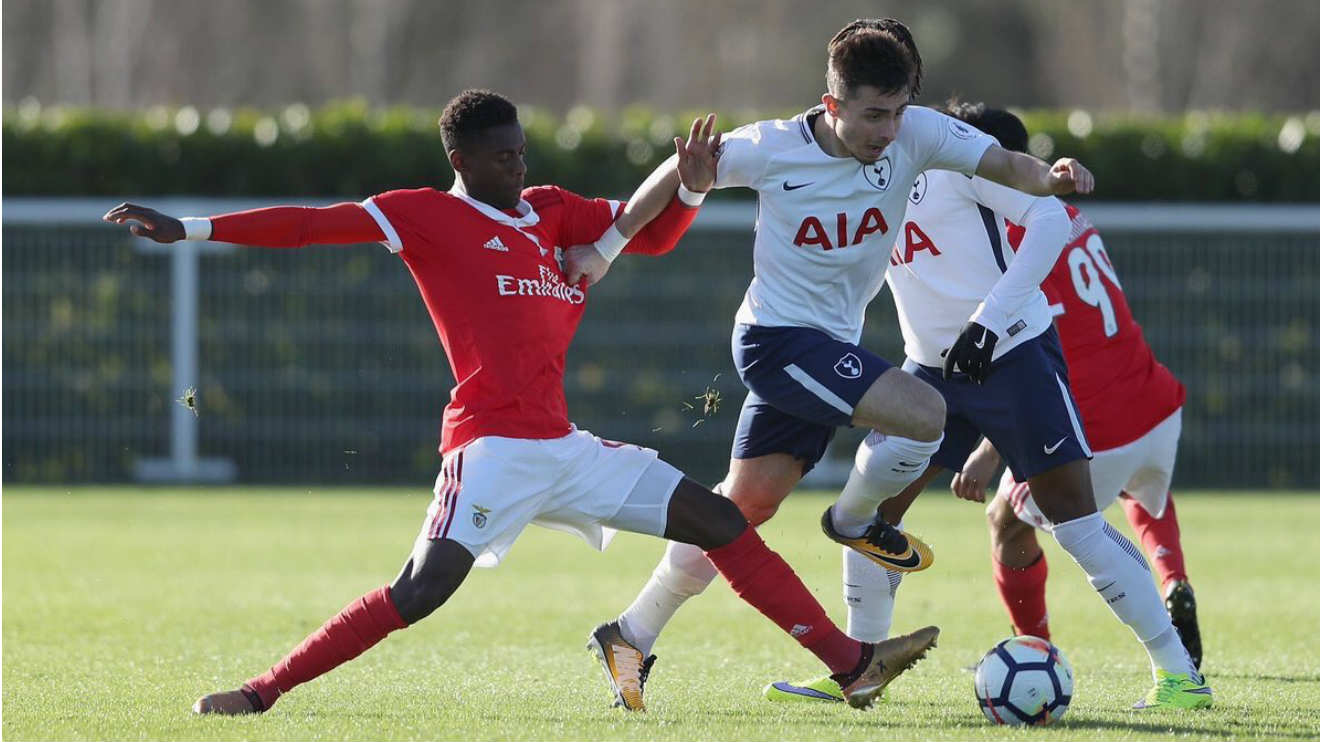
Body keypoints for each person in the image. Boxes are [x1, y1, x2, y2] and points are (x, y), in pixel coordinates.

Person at [102, 89, 937, 715]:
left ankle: (851, 664)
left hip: (565, 448)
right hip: (491, 451)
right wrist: (193, 229)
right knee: (419, 593)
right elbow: (311, 225)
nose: (520, 166)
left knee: (721, 523)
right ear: (461, 160)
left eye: (523, 151)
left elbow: (646, 236)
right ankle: (262, 692)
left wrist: (685, 190)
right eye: (503, 156)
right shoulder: (425, 216)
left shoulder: (548, 213)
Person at [571, 18, 1100, 710]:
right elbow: (679, 168)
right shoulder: (772, 147)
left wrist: (1050, 176)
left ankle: (630, 633)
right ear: (832, 106)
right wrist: (605, 249)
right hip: (777, 343)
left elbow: (1004, 164)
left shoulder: (916, 135)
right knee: (927, 413)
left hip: (828, 349)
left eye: (898, 111)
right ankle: (855, 523)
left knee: (741, 508)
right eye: (873, 114)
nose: (888, 130)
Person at [765, 102, 1210, 711]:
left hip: (1016, 356)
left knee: (1076, 523)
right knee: (870, 519)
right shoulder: (853, 176)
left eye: (891, 109)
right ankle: (862, 665)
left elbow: (1050, 219)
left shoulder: (949, 158)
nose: (883, 129)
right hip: (929, 372)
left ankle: (1180, 676)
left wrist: (989, 322)